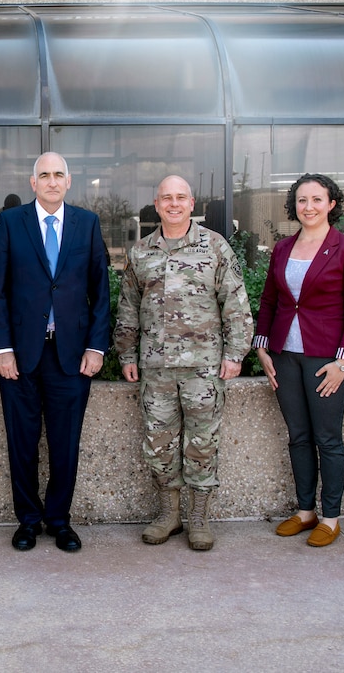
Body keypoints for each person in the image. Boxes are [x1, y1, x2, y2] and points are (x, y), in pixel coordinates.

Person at [114, 175, 252, 551]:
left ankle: (199, 518)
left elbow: (236, 304)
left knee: (202, 444)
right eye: (166, 198)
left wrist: (235, 354)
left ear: (193, 204)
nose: (173, 204)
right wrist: (126, 353)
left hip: (204, 368)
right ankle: (169, 515)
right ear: (156, 205)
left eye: (180, 198)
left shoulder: (215, 246)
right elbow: (128, 307)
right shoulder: (141, 252)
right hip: (155, 368)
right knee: (158, 444)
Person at [0, 152, 110, 553]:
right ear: (33, 181)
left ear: (69, 181)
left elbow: (101, 290)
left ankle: (59, 520)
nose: (52, 181)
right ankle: (27, 521)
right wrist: (2, 348)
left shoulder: (87, 224)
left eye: (59, 175)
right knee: (21, 444)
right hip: (20, 356)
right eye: (45, 175)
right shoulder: (9, 223)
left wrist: (96, 346)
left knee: (65, 444)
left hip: (71, 357)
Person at [252, 173, 344, 547]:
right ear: (294, 206)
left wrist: (343, 362)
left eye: (317, 199)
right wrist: (262, 347)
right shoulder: (283, 248)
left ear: (332, 204)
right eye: (302, 200)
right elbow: (270, 301)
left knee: (327, 439)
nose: (309, 207)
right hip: (286, 356)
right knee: (298, 437)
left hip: (327, 360)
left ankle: (330, 517)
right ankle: (305, 512)